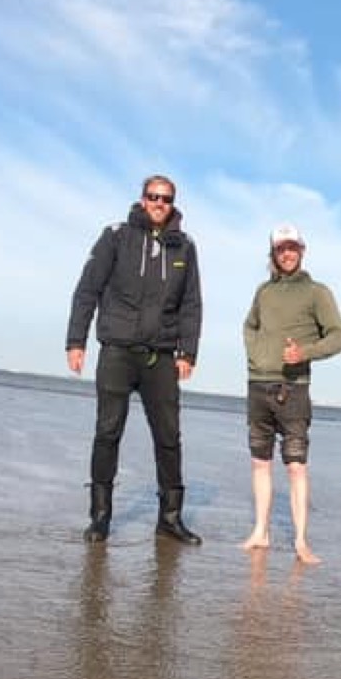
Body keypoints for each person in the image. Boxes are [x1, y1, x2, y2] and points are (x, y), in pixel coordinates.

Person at [66, 174, 204, 545]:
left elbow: (192, 305)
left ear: (173, 203)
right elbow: (87, 290)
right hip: (118, 351)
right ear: (142, 199)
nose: (159, 203)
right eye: (153, 196)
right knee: (108, 432)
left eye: (166, 198)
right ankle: (100, 517)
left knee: (169, 438)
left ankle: (170, 518)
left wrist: (187, 351)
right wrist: (75, 341)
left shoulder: (185, 248)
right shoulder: (116, 236)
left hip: (160, 357)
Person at [240, 223, 341, 563]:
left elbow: (339, 336)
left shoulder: (317, 292)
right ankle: (261, 531)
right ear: (272, 253)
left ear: (302, 250)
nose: (286, 254)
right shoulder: (263, 291)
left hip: (293, 390)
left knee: (296, 466)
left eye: (292, 247)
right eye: (280, 249)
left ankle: (301, 541)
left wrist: (304, 353)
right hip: (257, 385)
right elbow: (249, 326)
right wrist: (257, 354)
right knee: (260, 462)